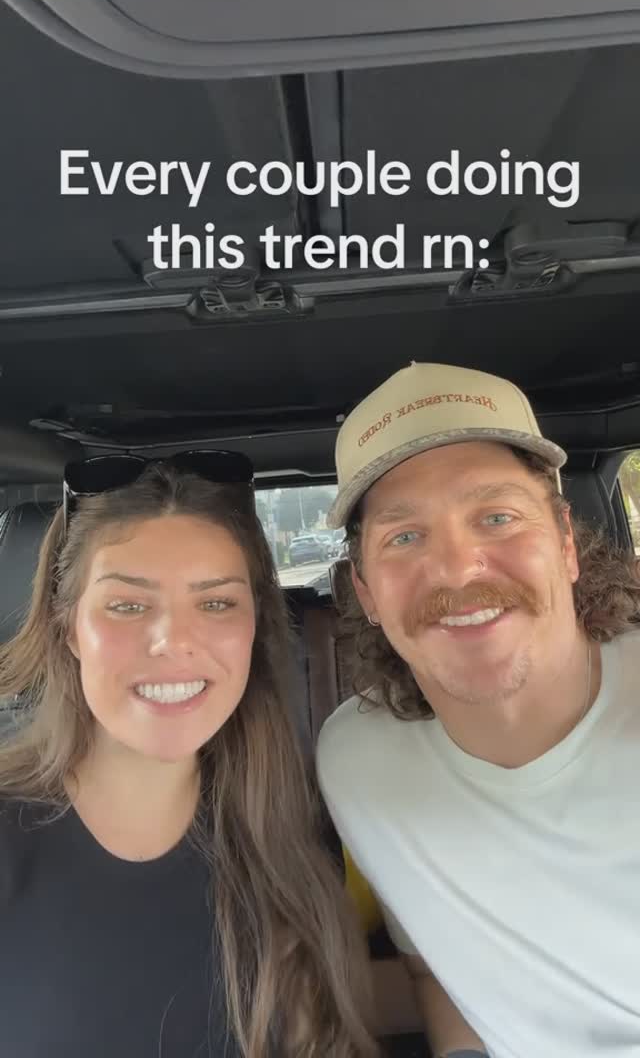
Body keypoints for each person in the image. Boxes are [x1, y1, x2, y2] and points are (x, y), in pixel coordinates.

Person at [0, 451, 379, 1058]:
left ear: (254, 627)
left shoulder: (293, 836)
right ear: (68, 626)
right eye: (127, 605)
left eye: (216, 602)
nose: (173, 642)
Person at [316, 361, 640, 1058]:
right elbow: (438, 969)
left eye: (497, 517)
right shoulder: (356, 762)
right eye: (405, 536)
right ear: (366, 592)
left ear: (565, 543)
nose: (459, 569)